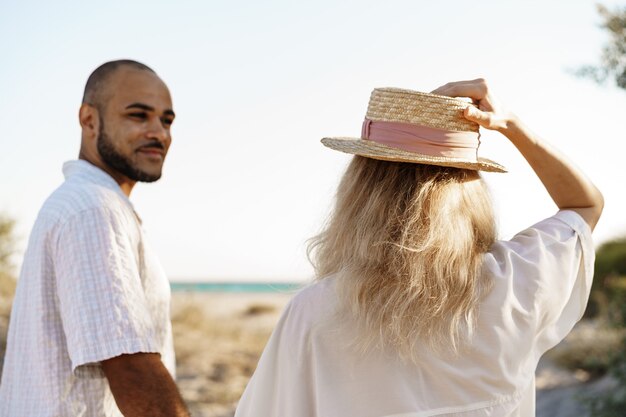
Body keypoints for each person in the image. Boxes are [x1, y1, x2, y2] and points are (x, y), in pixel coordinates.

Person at [234, 79, 603, 417]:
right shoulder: (514, 285)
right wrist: (511, 126)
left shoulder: (317, 312)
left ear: (359, 193)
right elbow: (584, 206)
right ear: (469, 190)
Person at [0, 60, 189, 417]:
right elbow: (132, 368)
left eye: (166, 120)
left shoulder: (88, 204)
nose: (160, 133)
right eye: (138, 115)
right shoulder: (93, 209)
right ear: (89, 120)